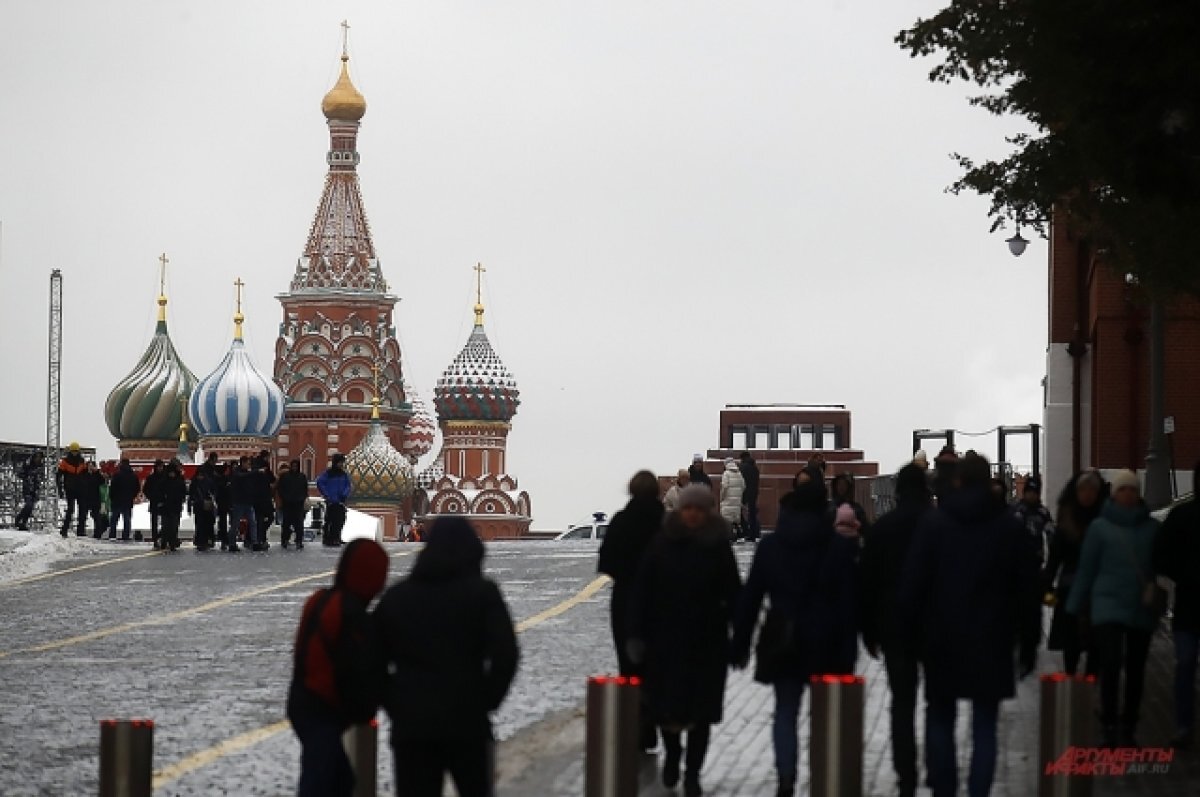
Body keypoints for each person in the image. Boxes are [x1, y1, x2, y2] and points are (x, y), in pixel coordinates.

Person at [900, 453, 1040, 797]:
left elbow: (914, 584)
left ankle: (944, 789)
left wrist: (910, 635)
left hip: (942, 636)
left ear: (959, 481)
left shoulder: (935, 524)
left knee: (940, 717)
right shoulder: (1009, 526)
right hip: (992, 638)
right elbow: (1027, 589)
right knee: (985, 724)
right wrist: (1029, 642)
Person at [731, 466, 858, 797]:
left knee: (785, 711)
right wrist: (853, 649)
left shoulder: (772, 547)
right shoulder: (839, 549)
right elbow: (850, 604)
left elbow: (751, 598)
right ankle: (823, 776)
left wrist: (740, 644)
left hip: (783, 639)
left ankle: (786, 777)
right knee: (824, 715)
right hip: (827, 641)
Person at [374, 517, 519, 797]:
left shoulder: (398, 597)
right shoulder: (482, 594)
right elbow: (505, 654)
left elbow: (371, 659)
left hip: (412, 725)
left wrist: (395, 702)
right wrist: (486, 699)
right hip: (467, 721)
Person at [629, 484, 741, 797]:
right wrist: (636, 634)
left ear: (706, 513)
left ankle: (692, 774)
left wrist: (740, 636)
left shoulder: (718, 546)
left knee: (701, 713)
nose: (692, 514)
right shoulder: (661, 544)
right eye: (688, 508)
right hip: (665, 643)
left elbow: (734, 593)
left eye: (698, 509)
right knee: (667, 708)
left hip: (708, 644)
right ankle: (673, 753)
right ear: (681, 511)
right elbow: (642, 591)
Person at [288, 539, 390, 797]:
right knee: (321, 782)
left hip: (302, 700)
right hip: (322, 708)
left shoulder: (319, 599)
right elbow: (354, 671)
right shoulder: (352, 616)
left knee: (339, 779)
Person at [1068, 469, 1162, 747]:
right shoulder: (1100, 529)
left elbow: (1160, 563)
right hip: (1107, 605)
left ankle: (1129, 724)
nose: (1128, 494)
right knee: (1110, 663)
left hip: (1139, 606)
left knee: (1136, 668)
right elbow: (1086, 570)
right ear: (1114, 493)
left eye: (1132, 489)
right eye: (1123, 489)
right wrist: (1074, 607)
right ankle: (1109, 722)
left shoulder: (1151, 529)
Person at [860, 464, 932, 797]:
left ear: (899, 491)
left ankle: (906, 775)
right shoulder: (940, 526)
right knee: (938, 702)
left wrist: (869, 630)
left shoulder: (883, 528)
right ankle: (936, 765)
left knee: (902, 703)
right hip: (935, 627)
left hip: (894, 627)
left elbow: (868, 582)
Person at [597, 470, 666, 751]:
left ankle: (633, 725)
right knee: (657, 665)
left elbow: (606, 562)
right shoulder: (666, 523)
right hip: (660, 603)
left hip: (625, 601)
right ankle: (652, 723)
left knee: (628, 666)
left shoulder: (621, 522)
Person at [1043, 470, 1107, 676]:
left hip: (1099, 589)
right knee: (1071, 644)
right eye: (1083, 489)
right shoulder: (1066, 523)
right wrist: (1046, 587)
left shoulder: (1106, 521)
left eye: (1092, 490)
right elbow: (1054, 559)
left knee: (1096, 645)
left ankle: (1089, 689)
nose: (1087, 494)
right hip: (1070, 589)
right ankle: (1072, 686)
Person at [1155, 460, 1200, 749]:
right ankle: (1184, 725)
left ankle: (1184, 726)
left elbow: (1162, 554)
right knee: (1184, 665)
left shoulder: (1181, 515)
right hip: (1188, 603)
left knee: (1184, 665)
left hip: (1188, 602)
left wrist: (1181, 575)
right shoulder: (1183, 515)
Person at [1014, 476, 1054, 564]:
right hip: (1017, 557)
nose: (1031, 495)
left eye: (1034, 492)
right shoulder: (1017, 510)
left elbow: (1051, 534)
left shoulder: (1042, 512)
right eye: (1029, 492)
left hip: (1036, 557)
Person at [317, 454, 352, 547]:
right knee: (330, 520)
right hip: (332, 501)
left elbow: (348, 486)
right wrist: (327, 495)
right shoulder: (328, 474)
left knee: (340, 520)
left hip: (340, 500)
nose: (341, 464)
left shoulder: (344, 474)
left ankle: (337, 537)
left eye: (342, 462)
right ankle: (329, 538)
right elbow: (320, 482)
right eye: (340, 462)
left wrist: (344, 494)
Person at [56, 442, 89, 537]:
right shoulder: (65, 462)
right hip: (70, 488)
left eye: (76, 451)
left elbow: (85, 474)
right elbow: (59, 475)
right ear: (70, 451)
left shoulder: (82, 461)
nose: (75, 453)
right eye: (73, 451)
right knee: (70, 510)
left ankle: (81, 530)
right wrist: (60, 489)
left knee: (82, 510)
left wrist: (85, 485)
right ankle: (64, 529)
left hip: (80, 488)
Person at [278, 459, 310, 550]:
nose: (294, 468)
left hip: (298, 503)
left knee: (299, 524)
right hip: (288, 503)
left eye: (296, 466)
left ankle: (299, 541)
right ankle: (285, 540)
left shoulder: (302, 476)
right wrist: (284, 498)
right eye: (293, 466)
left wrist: (302, 498)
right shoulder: (285, 476)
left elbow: (305, 489)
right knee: (286, 523)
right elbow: (280, 488)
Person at [227, 456, 256, 553]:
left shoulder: (246, 473)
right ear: (243, 463)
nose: (249, 465)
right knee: (235, 524)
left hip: (247, 502)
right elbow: (240, 478)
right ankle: (232, 544)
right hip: (239, 502)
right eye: (247, 463)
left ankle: (254, 542)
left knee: (252, 522)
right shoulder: (237, 473)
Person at [108, 458, 141, 541]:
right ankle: (125, 536)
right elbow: (137, 488)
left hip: (117, 500)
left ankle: (112, 535)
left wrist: (112, 497)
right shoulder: (133, 475)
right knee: (127, 519)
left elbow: (112, 488)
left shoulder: (117, 475)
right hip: (127, 500)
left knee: (114, 519)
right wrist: (132, 496)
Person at [158, 460, 188, 552]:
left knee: (173, 526)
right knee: (166, 526)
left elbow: (184, 492)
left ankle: (172, 543)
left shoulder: (179, 480)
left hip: (175, 506)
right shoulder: (165, 481)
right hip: (167, 507)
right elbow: (160, 493)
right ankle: (164, 542)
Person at [188, 467, 218, 551]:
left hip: (204, 506)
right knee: (201, 524)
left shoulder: (197, 482)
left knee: (204, 524)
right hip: (201, 506)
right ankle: (202, 541)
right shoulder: (202, 482)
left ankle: (203, 541)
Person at [252, 450, 276, 550]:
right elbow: (272, 479)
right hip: (262, 498)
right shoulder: (261, 467)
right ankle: (260, 539)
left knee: (262, 519)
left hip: (261, 498)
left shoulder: (259, 466)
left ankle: (260, 538)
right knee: (263, 519)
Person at [14, 452, 45, 530]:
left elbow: (42, 476)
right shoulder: (27, 464)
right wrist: (28, 477)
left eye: (40, 457)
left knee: (30, 507)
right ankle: (19, 519)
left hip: (35, 488)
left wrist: (39, 479)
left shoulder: (41, 466)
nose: (38, 459)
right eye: (37, 457)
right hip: (27, 488)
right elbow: (20, 473)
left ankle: (22, 522)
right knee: (29, 505)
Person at [142, 459, 167, 547]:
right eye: (158, 467)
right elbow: (145, 489)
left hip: (164, 503)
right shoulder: (151, 478)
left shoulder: (165, 477)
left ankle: (163, 538)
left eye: (161, 467)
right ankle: (155, 539)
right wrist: (151, 497)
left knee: (164, 522)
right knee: (154, 522)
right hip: (154, 502)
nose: (160, 468)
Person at [719, 458, 745, 539]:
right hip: (737, 501)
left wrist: (721, 497)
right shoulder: (739, 474)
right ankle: (737, 535)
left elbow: (724, 486)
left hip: (727, 501)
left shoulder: (726, 473)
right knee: (734, 519)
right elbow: (743, 486)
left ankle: (729, 536)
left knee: (726, 520)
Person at [739, 451, 761, 541]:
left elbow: (742, 482)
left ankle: (746, 532)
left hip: (745, 492)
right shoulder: (755, 468)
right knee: (752, 514)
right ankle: (754, 533)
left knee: (741, 513)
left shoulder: (742, 467)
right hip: (754, 493)